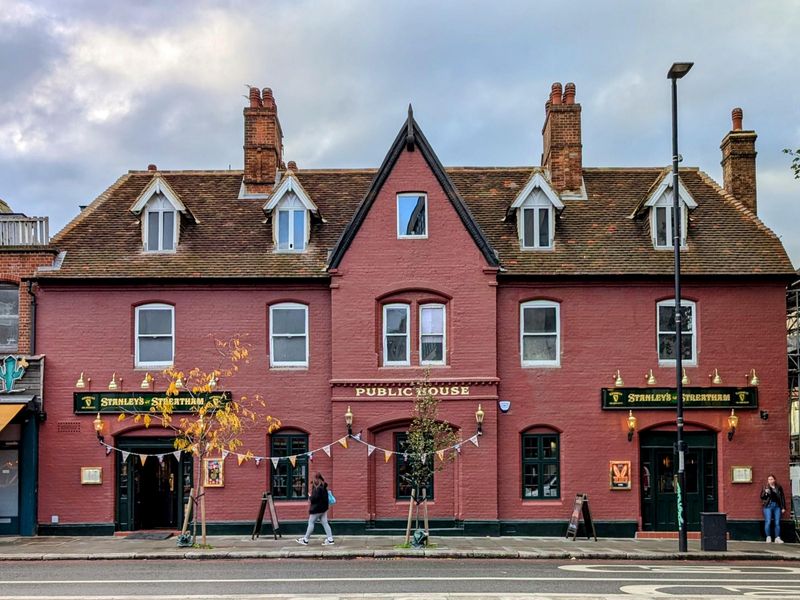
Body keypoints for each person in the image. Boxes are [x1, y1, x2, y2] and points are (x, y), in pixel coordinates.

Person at [296, 472, 334, 546]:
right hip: (323, 508)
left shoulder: (317, 488)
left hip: (316, 509)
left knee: (311, 522)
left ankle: (305, 540)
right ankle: (330, 539)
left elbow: (314, 499)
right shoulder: (323, 486)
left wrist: (310, 496)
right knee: (325, 523)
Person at [760, 474, 786, 543]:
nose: (770, 481)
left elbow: (782, 497)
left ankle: (777, 537)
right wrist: (766, 493)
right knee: (768, 521)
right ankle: (768, 537)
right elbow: (762, 497)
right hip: (768, 506)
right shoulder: (765, 487)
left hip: (777, 506)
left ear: (774, 480)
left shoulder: (778, 487)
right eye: (769, 479)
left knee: (777, 522)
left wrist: (783, 507)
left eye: (771, 479)